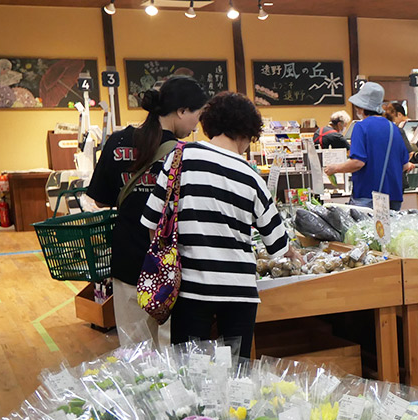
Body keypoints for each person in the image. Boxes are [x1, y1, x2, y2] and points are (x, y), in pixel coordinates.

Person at [140, 91, 298, 356]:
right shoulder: (251, 177)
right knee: (236, 373)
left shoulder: (179, 159)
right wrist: (294, 253)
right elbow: (278, 246)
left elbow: (151, 222)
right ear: (246, 133)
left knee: (191, 371)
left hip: (192, 291)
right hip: (239, 294)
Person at [88, 77, 207, 346]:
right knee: (172, 353)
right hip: (172, 266)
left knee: (135, 353)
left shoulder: (117, 142)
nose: (196, 124)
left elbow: (99, 200)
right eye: (197, 114)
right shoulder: (185, 153)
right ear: (181, 111)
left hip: (128, 260)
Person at [322, 82, 408, 208]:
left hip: (368, 196)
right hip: (394, 196)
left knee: (365, 228)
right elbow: (405, 165)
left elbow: (358, 162)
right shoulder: (393, 128)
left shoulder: (361, 127)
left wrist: (334, 168)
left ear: (361, 107)